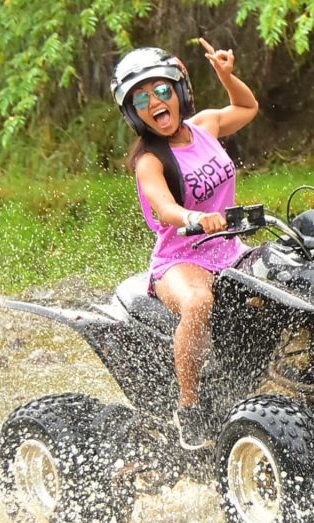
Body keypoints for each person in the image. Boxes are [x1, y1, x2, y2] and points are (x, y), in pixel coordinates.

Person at [110, 39, 258, 450]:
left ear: (179, 92)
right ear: (133, 113)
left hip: (230, 250)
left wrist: (228, 78)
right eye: (141, 98)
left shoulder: (205, 127)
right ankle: (189, 407)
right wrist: (194, 218)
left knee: (288, 284)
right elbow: (164, 206)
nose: (154, 101)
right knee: (198, 304)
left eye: (161, 90)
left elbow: (246, 109)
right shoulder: (149, 161)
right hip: (181, 259)